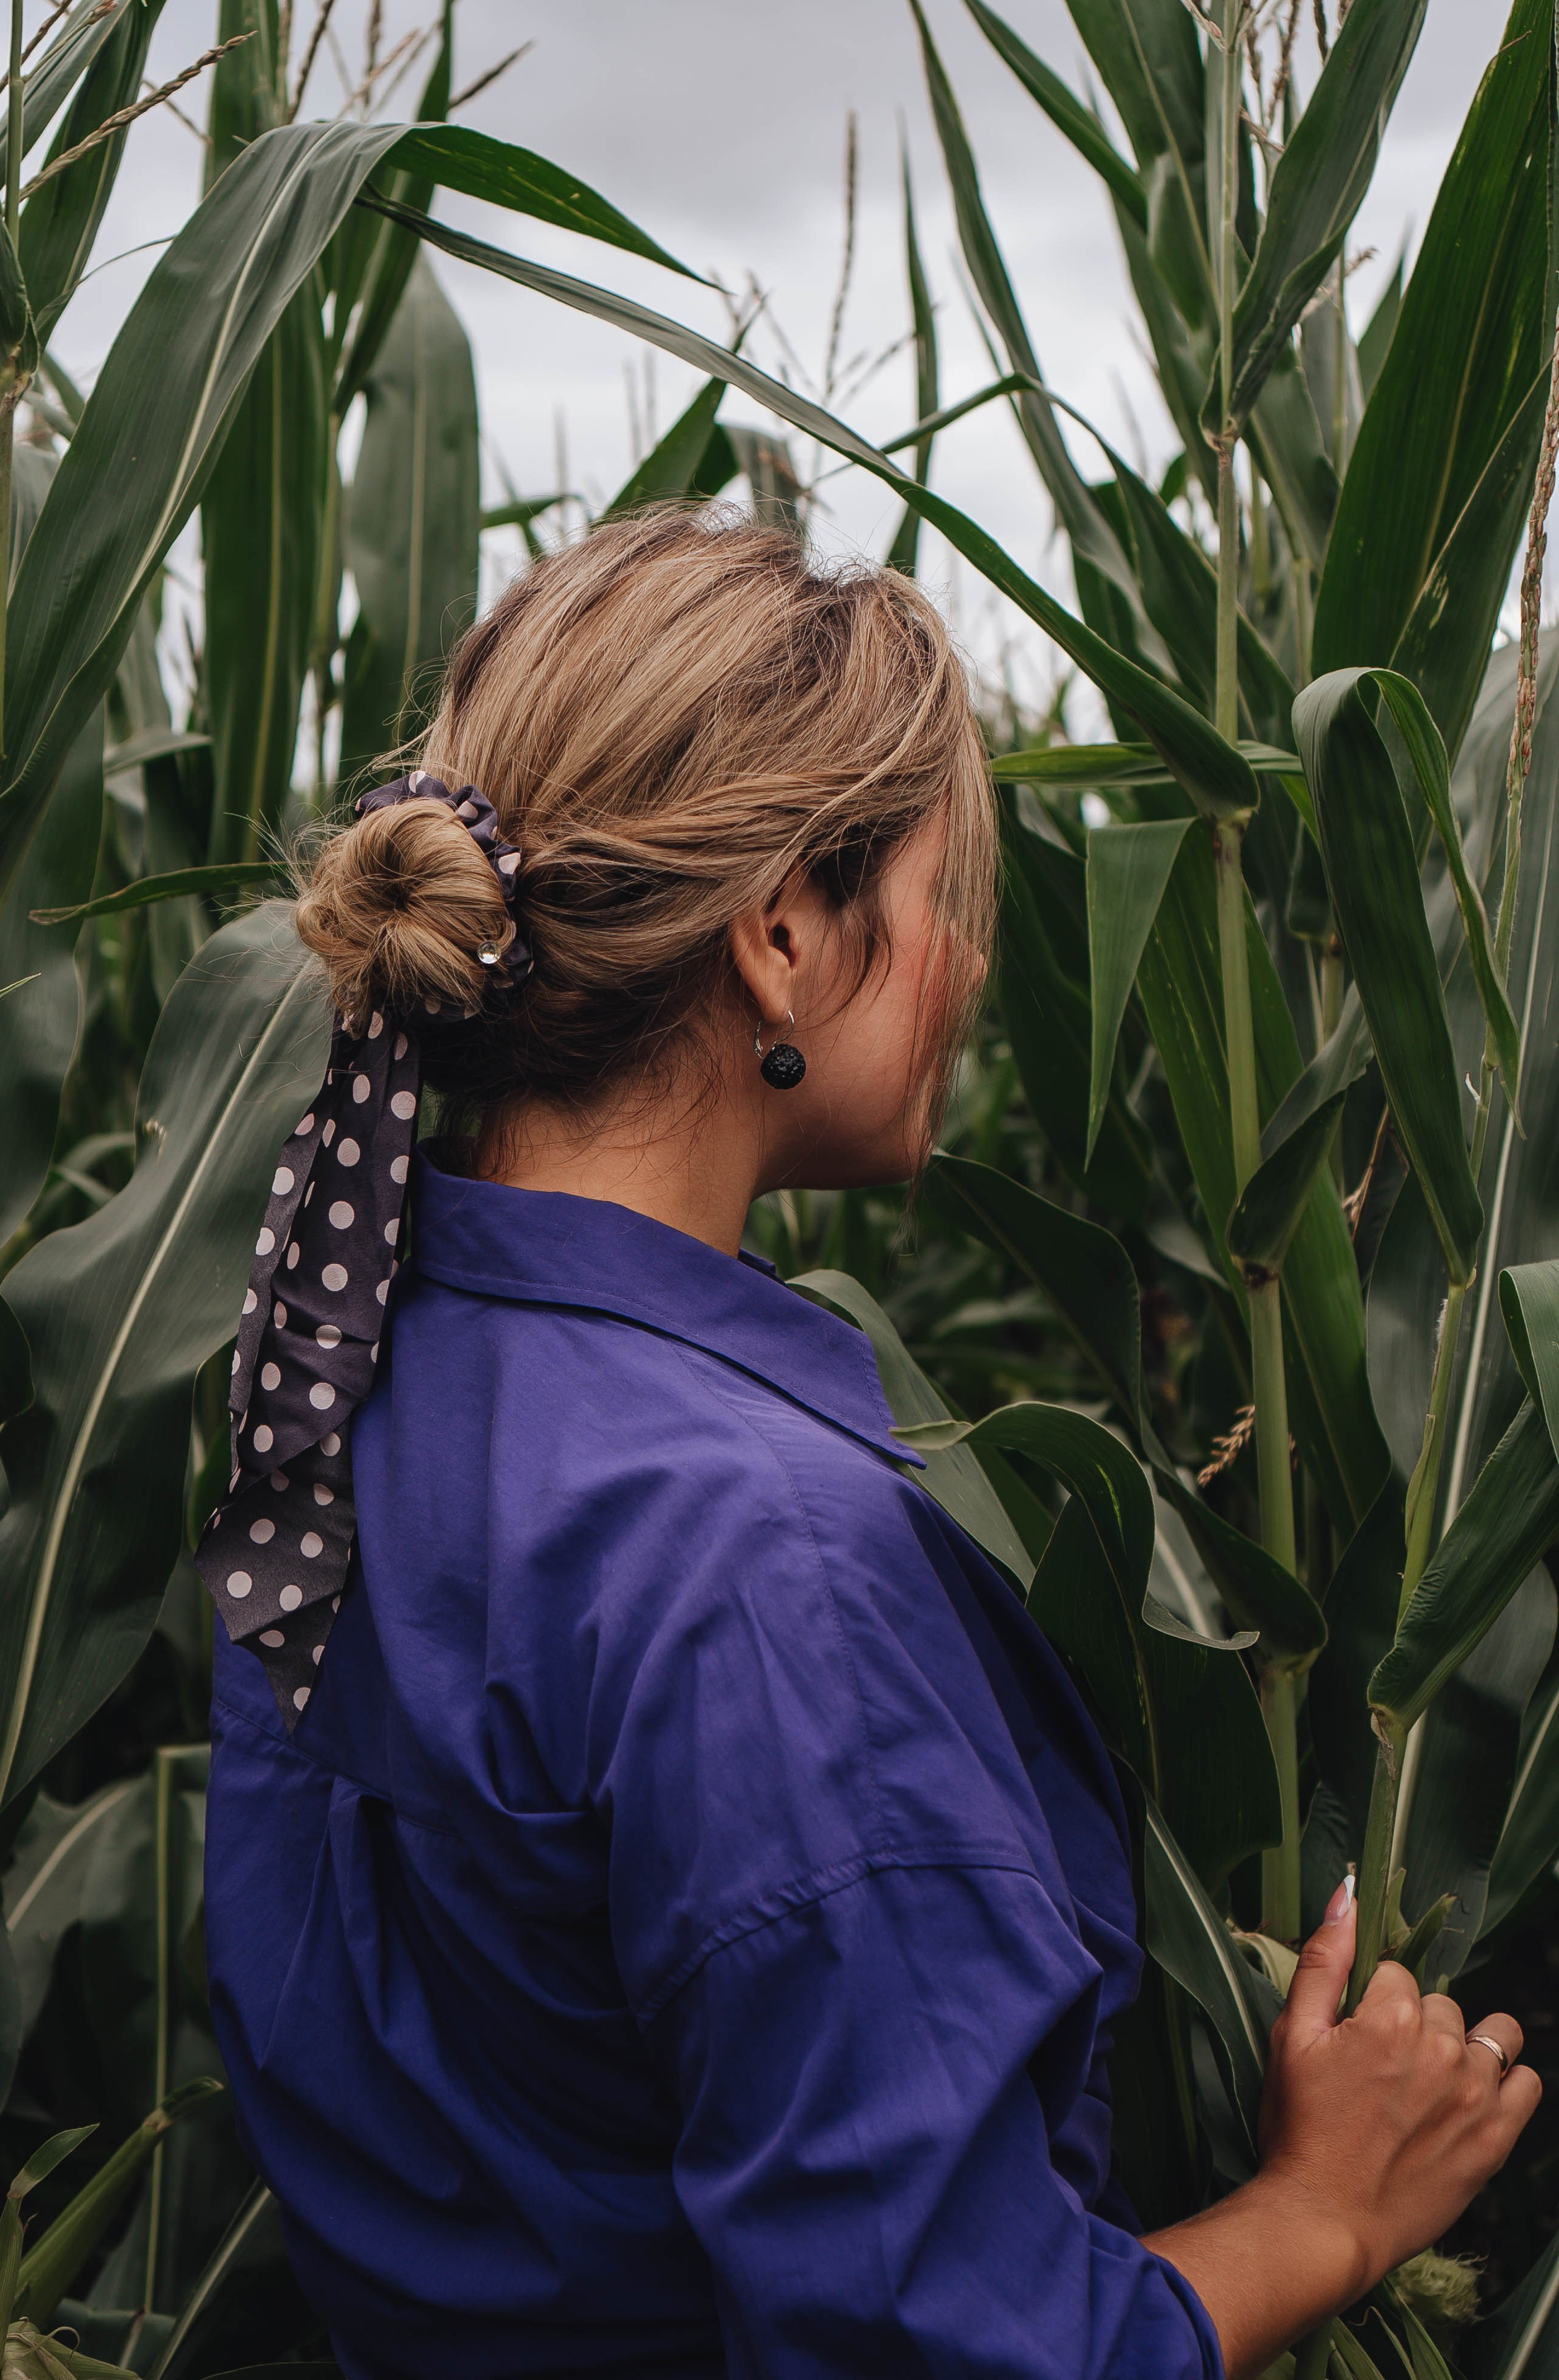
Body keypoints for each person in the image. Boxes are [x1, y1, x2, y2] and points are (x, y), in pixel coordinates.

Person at [201, 510, 1538, 2380]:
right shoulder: (766, 1564)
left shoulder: (344, 1380)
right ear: (778, 935)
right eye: (934, 896)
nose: (969, 962)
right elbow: (945, 2345)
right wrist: (1326, 2208)